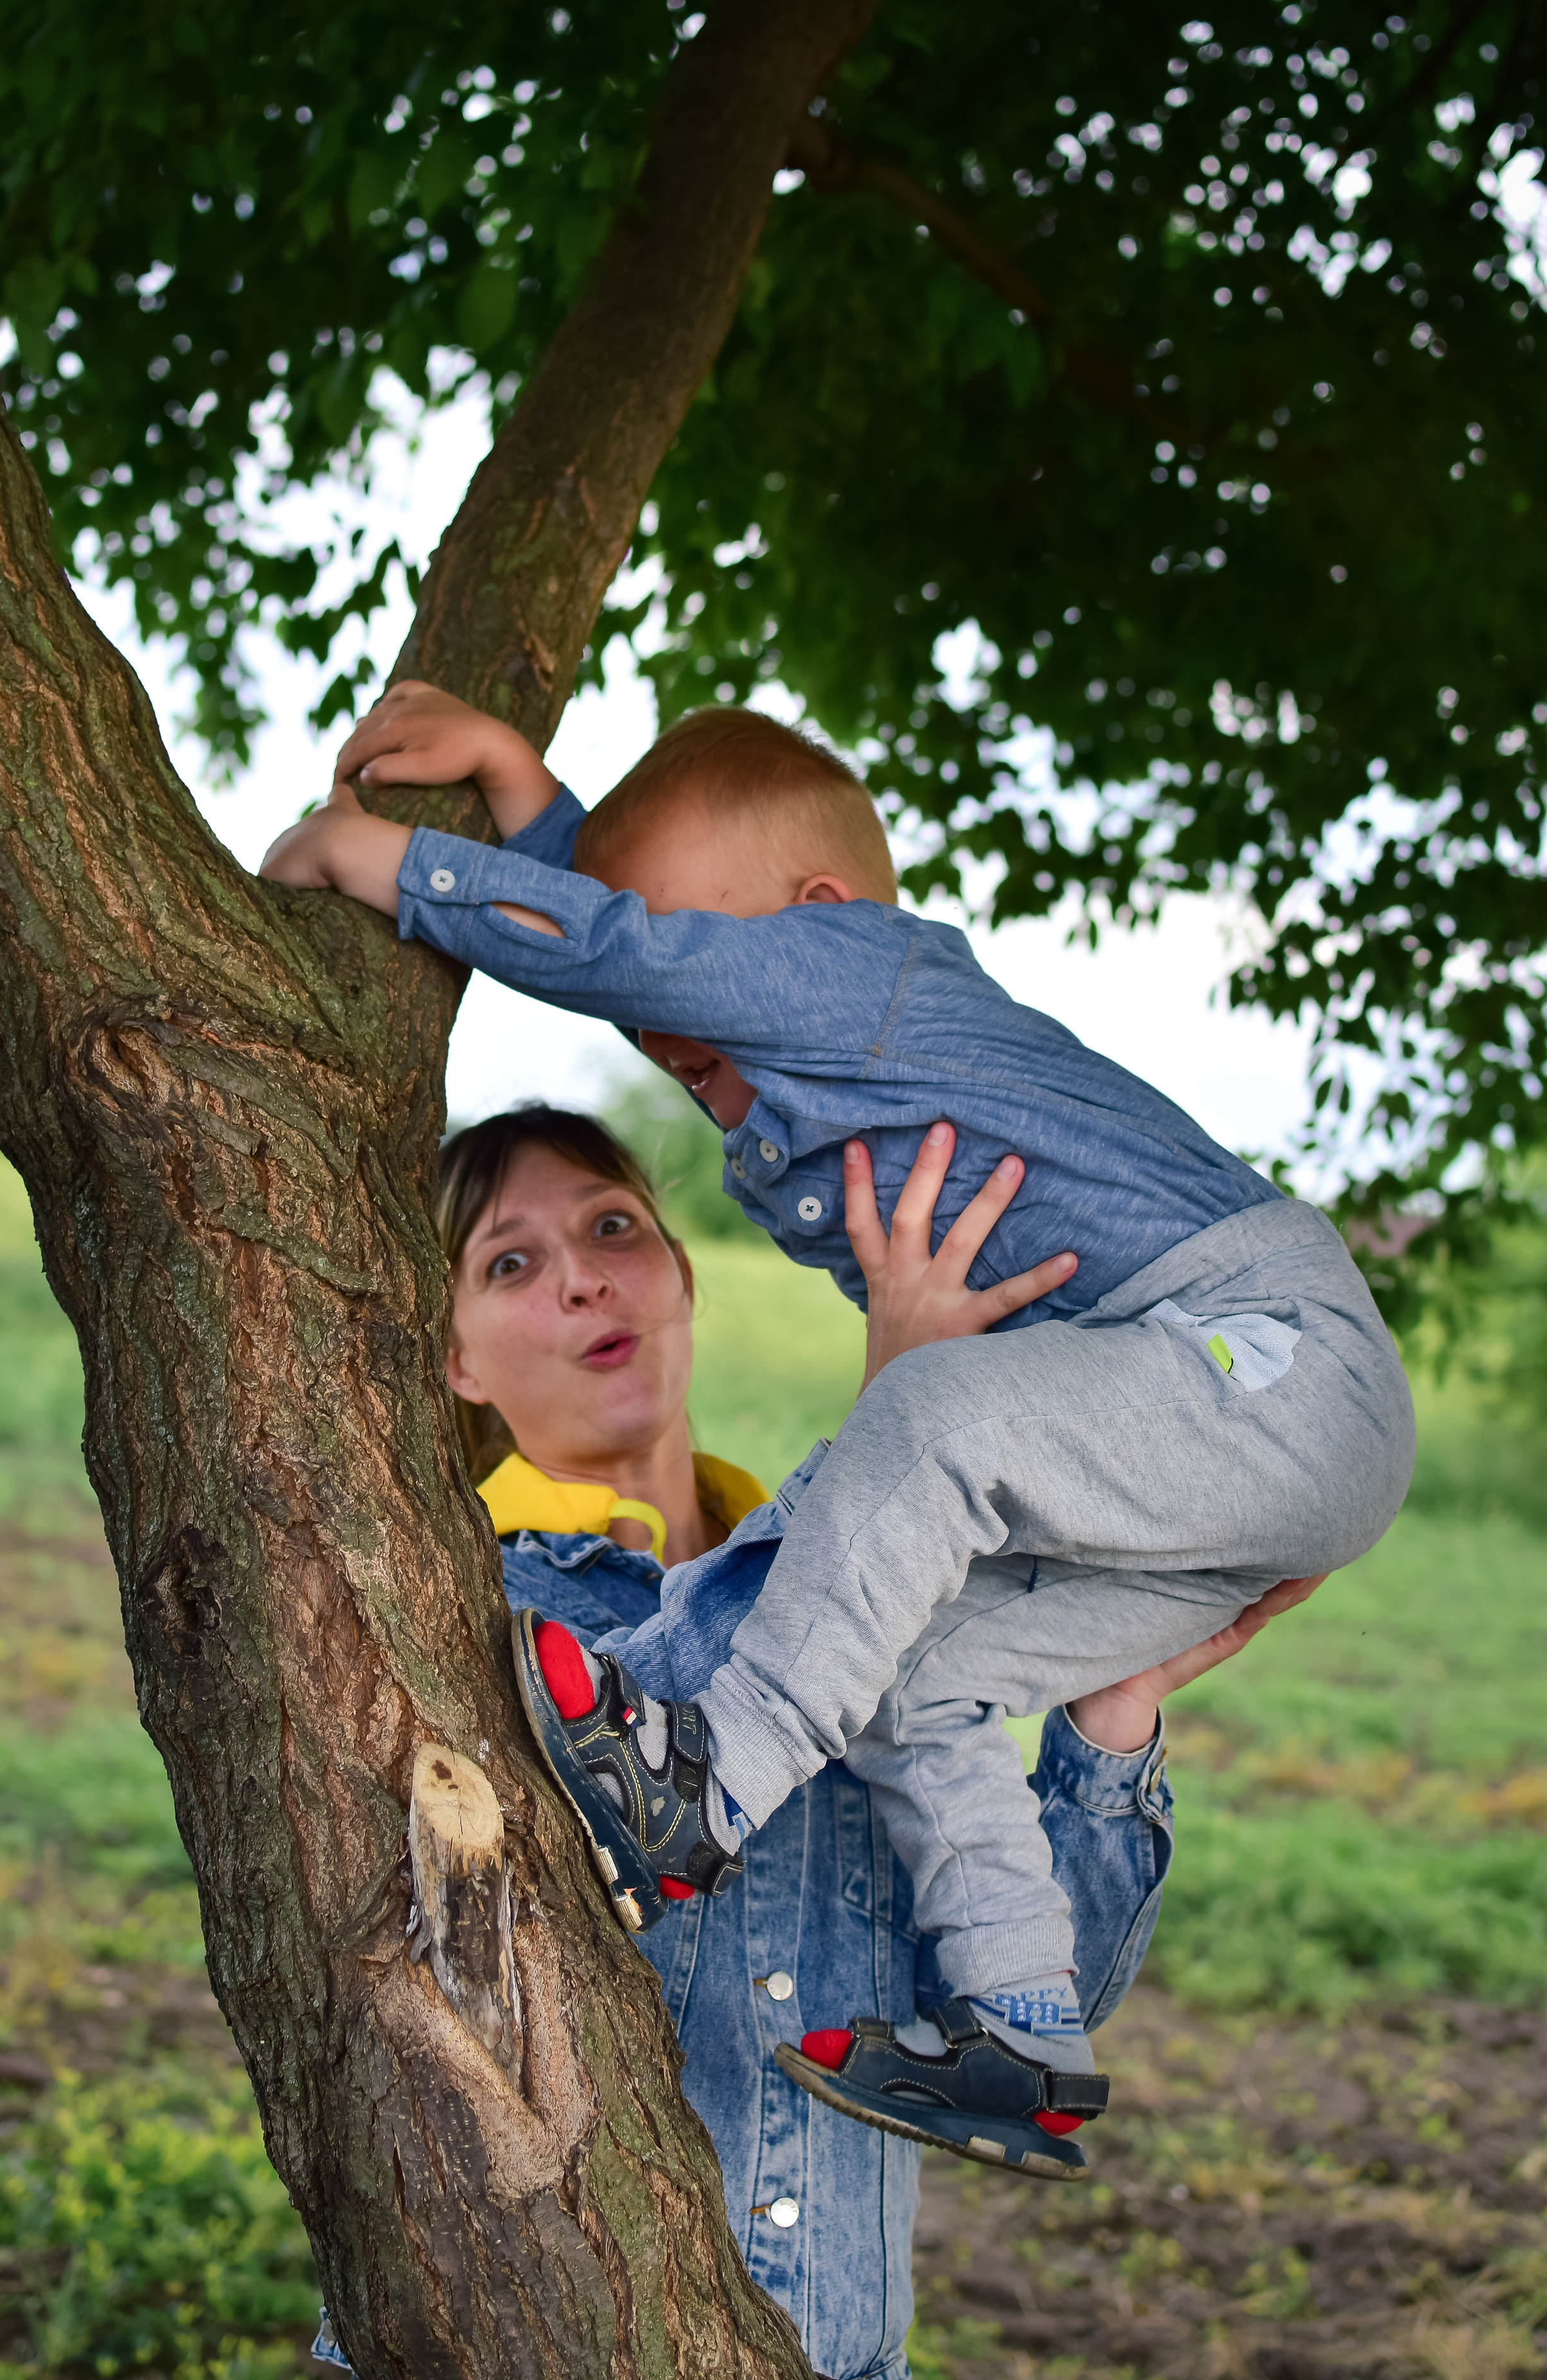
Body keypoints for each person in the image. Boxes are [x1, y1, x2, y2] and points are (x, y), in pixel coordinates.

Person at [262, 682, 1405, 2172]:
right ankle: (1019, 2033)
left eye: (704, 992)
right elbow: (632, 951)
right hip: (1184, 1435)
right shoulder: (768, 1026)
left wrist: (397, 865)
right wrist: (519, 785)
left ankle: (699, 1788)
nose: (680, 1044)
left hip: (1271, 1357)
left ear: (814, 917)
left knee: (927, 1406)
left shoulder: (869, 981)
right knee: (904, 1673)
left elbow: (620, 947)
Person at [328, 1102, 1313, 2380]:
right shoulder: (473, 1602)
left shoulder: (892, 1615)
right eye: (509, 1262)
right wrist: (899, 1444)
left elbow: (1042, 1998)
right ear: (451, 1359)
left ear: (680, 1277)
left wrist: (1107, 1725)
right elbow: (619, 1824)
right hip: (517, 2367)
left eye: (614, 1227)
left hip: (818, 2376)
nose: (580, 1276)